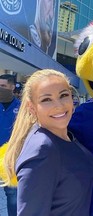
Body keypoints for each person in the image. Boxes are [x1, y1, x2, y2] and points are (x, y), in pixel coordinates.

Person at [3, 69, 93, 215]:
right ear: (32, 107)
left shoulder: (67, 135)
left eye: (63, 95)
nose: (58, 105)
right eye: (46, 99)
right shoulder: (42, 150)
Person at [0, 74, 20, 216]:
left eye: (3, 86)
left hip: (10, 158)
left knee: (12, 195)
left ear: (12, 88)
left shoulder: (22, 107)